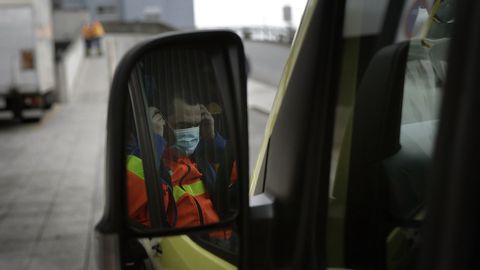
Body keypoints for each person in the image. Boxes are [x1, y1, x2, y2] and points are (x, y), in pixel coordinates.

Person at [127, 94, 237, 240]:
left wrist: (213, 139)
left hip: (225, 242)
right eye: (183, 125)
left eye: (196, 125)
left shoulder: (200, 159)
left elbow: (240, 181)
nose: (191, 132)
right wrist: (153, 143)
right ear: (162, 123)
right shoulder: (148, 164)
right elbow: (134, 203)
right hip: (192, 250)